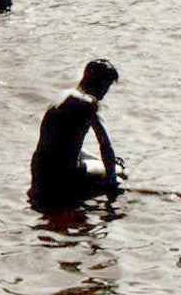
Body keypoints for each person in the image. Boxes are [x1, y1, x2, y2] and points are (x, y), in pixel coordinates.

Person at [29, 59, 122, 207]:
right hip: (65, 175)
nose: (105, 92)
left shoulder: (62, 96)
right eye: (107, 86)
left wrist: (99, 160)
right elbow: (106, 145)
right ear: (101, 84)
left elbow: (65, 144)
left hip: (39, 170)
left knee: (102, 163)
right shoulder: (90, 104)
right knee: (119, 171)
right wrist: (113, 183)